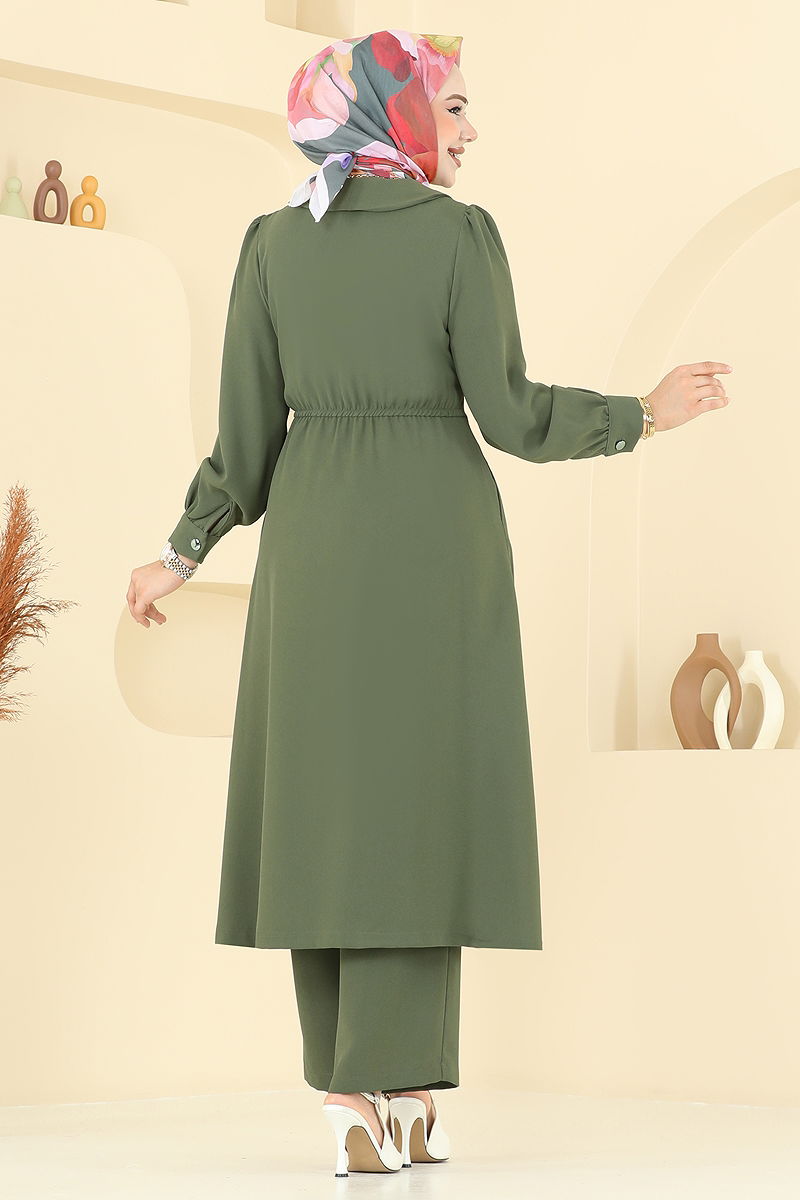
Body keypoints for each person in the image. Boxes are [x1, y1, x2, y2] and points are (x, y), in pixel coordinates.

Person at [127, 29, 733, 1176]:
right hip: (434, 544)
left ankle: (361, 1095)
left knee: (325, 811)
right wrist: (639, 414)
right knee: (415, 810)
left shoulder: (270, 244)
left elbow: (245, 447)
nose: (468, 131)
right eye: (450, 107)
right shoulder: (458, 236)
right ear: (391, 112)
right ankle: (397, 1087)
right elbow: (508, 415)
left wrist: (179, 551)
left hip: (314, 550)